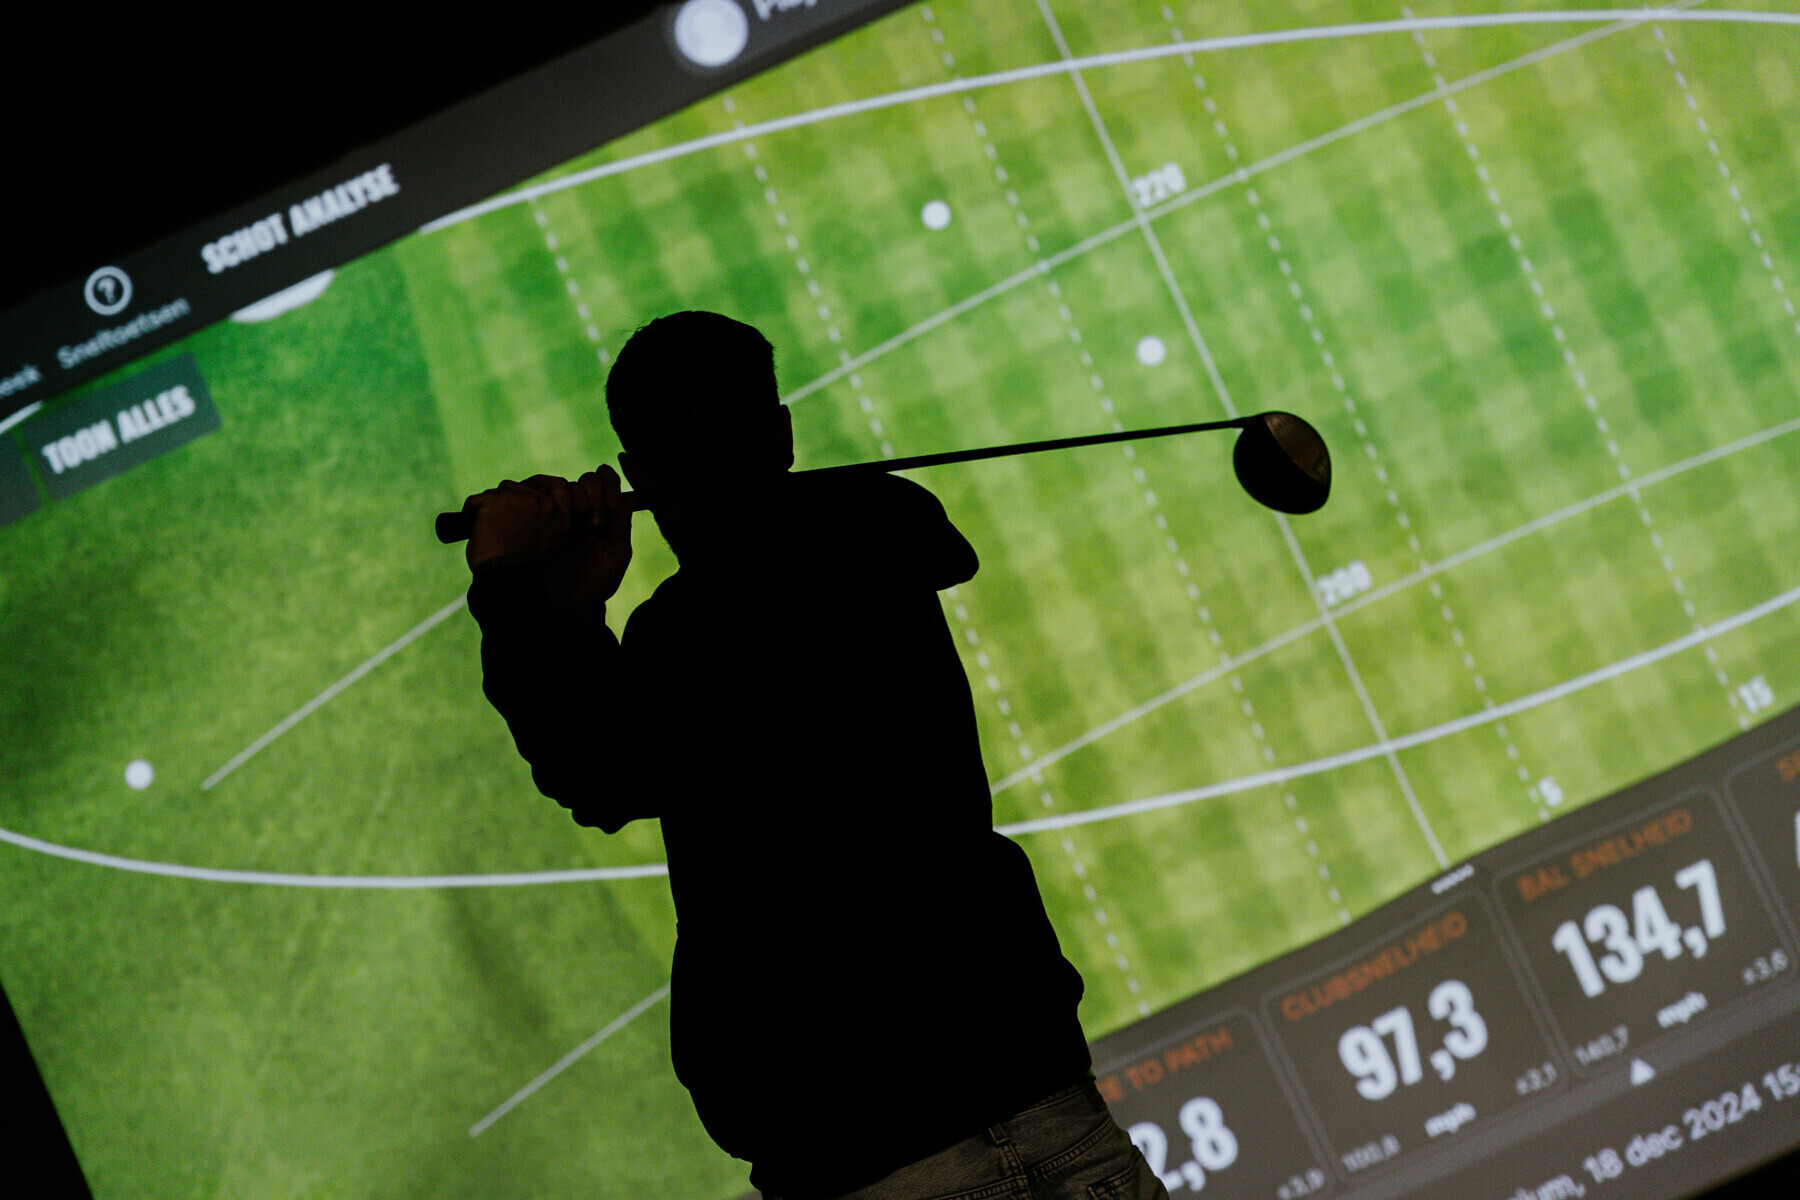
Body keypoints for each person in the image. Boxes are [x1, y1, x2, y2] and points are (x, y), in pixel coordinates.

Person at [460, 311, 1168, 1200]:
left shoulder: (683, 637)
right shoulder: (883, 534)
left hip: (869, 1163)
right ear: (784, 434)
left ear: (638, 474)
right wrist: (575, 614)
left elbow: (595, 771)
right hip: (1051, 1111)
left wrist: (519, 593)